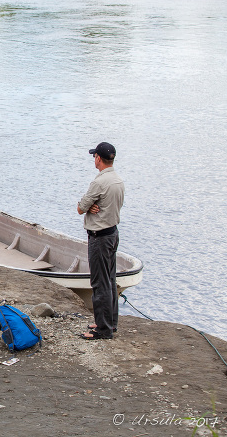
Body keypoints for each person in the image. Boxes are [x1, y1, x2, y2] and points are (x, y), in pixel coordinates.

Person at [77, 142, 125, 340]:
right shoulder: (118, 181)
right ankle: (109, 322)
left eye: (94, 156)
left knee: (99, 284)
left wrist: (88, 207)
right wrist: (93, 206)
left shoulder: (99, 183)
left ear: (98, 158)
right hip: (113, 234)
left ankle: (103, 330)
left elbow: (80, 207)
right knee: (110, 280)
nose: (94, 160)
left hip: (100, 238)